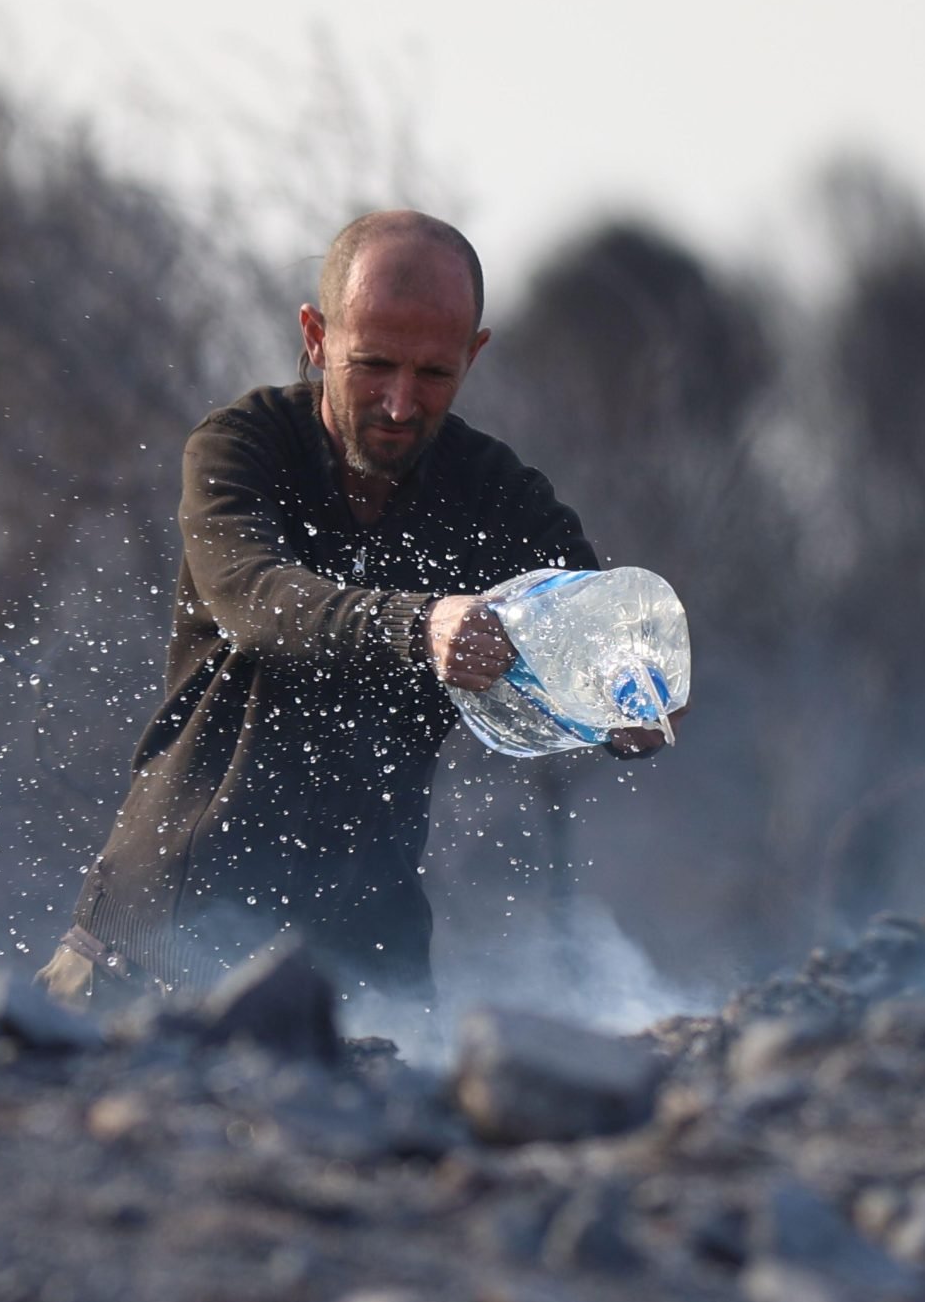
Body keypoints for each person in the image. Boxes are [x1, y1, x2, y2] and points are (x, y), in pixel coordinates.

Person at [36, 210, 673, 1007]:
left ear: (473, 355)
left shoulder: (496, 492)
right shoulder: (241, 447)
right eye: (373, 365)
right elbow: (258, 598)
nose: (401, 404)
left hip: (366, 959)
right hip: (159, 938)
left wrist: (630, 701)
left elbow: (602, 630)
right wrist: (422, 624)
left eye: (434, 374)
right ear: (316, 334)